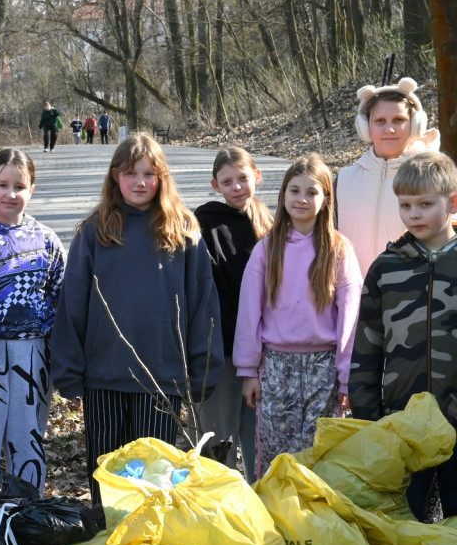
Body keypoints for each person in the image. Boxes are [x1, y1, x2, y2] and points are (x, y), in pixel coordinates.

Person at [51, 133, 223, 504]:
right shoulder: (95, 231)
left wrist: (202, 367)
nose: (140, 182)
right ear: (115, 176)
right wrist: (69, 370)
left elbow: (202, 305)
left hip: (161, 378)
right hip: (104, 374)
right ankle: (106, 542)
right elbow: (73, 304)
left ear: (162, 177)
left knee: (154, 476)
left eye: (149, 173)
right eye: (130, 173)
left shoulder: (183, 232)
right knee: (108, 476)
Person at [234, 154, 362, 477]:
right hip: (276, 366)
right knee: (277, 454)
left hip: (324, 368)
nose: (302, 199)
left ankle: (314, 523)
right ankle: (276, 520)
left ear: (326, 199)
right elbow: (249, 313)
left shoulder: (339, 250)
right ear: (283, 195)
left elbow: (350, 318)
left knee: (319, 453)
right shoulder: (267, 249)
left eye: (311, 192)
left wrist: (346, 378)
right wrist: (249, 370)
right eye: (294, 190)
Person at [350, 151, 457, 521]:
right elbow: (366, 349)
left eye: (426, 204)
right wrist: (368, 420)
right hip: (402, 425)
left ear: (452, 202)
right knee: (408, 525)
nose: (414, 213)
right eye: (405, 204)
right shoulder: (385, 269)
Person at [0, 148, 66, 492]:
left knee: (27, 438)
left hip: (33, 357)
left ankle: (27, 516)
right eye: (3, 185)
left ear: (32, 189)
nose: (11, 194)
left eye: (20, 186)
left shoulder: (47, 240)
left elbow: (62, 298)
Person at [194, 148, 273, 483]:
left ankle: (263, 501)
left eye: (243, 178)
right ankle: (218, 503)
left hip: (264, 348)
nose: (237, 187)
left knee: (258, 435)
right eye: (228, 182)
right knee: (218, 434)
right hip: (221, 348)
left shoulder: (270, 224)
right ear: (216, 185)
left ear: (257, 176)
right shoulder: (204, 222)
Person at [336, 77, 440, 276]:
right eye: (380, 121)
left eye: (399, 120)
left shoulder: (434, 179)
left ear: (416, 124)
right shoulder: (343, 180)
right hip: (354, 299)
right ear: (366, 127)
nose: (389, 129)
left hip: (413, 300)